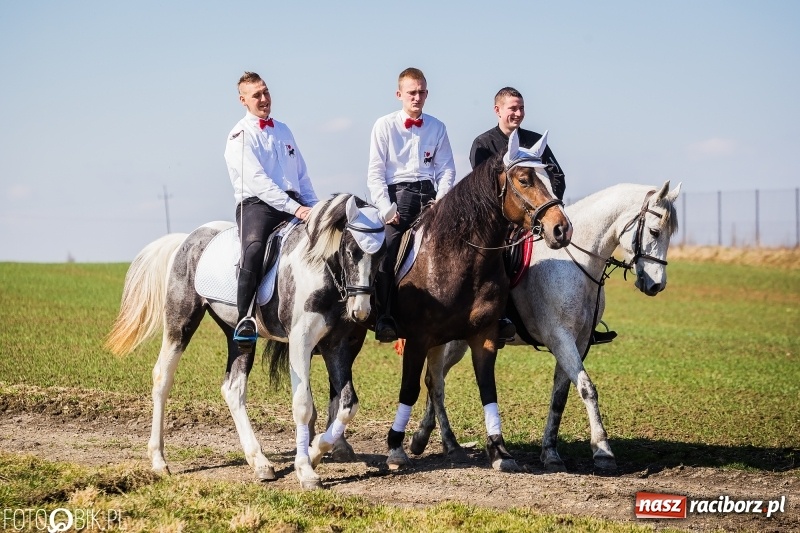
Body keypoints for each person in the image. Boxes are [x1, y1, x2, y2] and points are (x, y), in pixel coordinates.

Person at [470, 87, 615, 345]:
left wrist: (544, 210)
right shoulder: (483, 144)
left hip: (538, 218)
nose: (518, 113)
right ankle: (498, 316)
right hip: (502, 224)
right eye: (512, 108)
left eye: (521, 108)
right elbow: (483, 188)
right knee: (497, 258)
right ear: (498, 110)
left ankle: (583, 323)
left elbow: (557, 177)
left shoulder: (535, 141)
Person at [224, 71, 319, 349]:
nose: (264, 99)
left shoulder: (285, 130)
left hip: (293, 203)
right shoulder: (239, 136)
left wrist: (314, 208)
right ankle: (245, 318)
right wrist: (295, 209)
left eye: (266, 92)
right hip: (258, 206)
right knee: (253, 249)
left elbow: (301, 176)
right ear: (243, 100)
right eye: (257, 95)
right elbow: (260, 183)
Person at [367, 67, 456, 342]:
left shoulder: (437, 127)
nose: (417, 97)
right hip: (398, 197)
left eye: (421, 92)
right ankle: (385, 317)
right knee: (388, 253)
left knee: (456, 250)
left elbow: (447, 171)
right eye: (411, 92)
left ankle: (452, 314)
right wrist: (385, 209)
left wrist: (441, 202)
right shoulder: (384, 125)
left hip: (430, 198)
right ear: (399, 94)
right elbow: (375, 173)